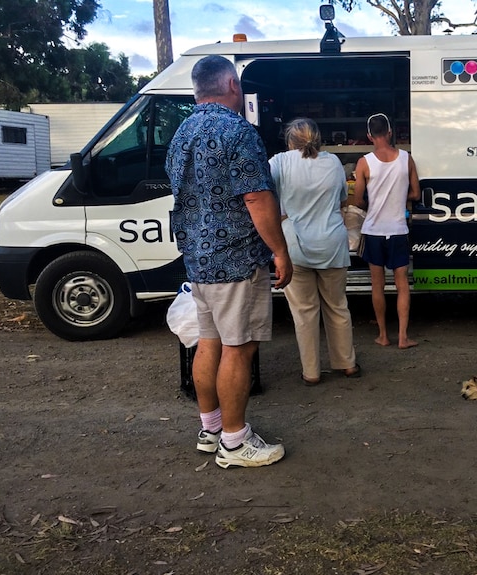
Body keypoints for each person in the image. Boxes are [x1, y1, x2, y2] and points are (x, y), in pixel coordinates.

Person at [166, 55, 294, 469]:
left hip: (198, 262)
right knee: (238, 349)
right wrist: (280, 250)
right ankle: (236, 443)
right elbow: (256, 198)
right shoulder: (238, 132)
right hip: (237, 261)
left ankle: (212, 429)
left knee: (209, 342)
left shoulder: (181, 133)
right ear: (231, 85)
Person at [268, 118, 360, 385]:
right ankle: (347, 364)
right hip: (332, 243)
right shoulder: (332, 162)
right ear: (318, 139)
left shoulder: (279, 162)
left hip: (295, 246)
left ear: (289, 140)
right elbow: (343, 200)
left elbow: (262, 194)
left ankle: (311, 372)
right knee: (337, 306)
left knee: (304, 313)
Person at [353, 112, 421, 349]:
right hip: (398, 230)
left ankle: (383, 335)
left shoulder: (364, 163)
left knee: (377, 284)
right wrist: (399, 198)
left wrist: (373, 202)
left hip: (373, 231)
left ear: (370, 135)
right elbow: (416, 193)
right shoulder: (406, 159)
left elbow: (358, 199)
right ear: (390, 132)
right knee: (402, 284)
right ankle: (403, 337)